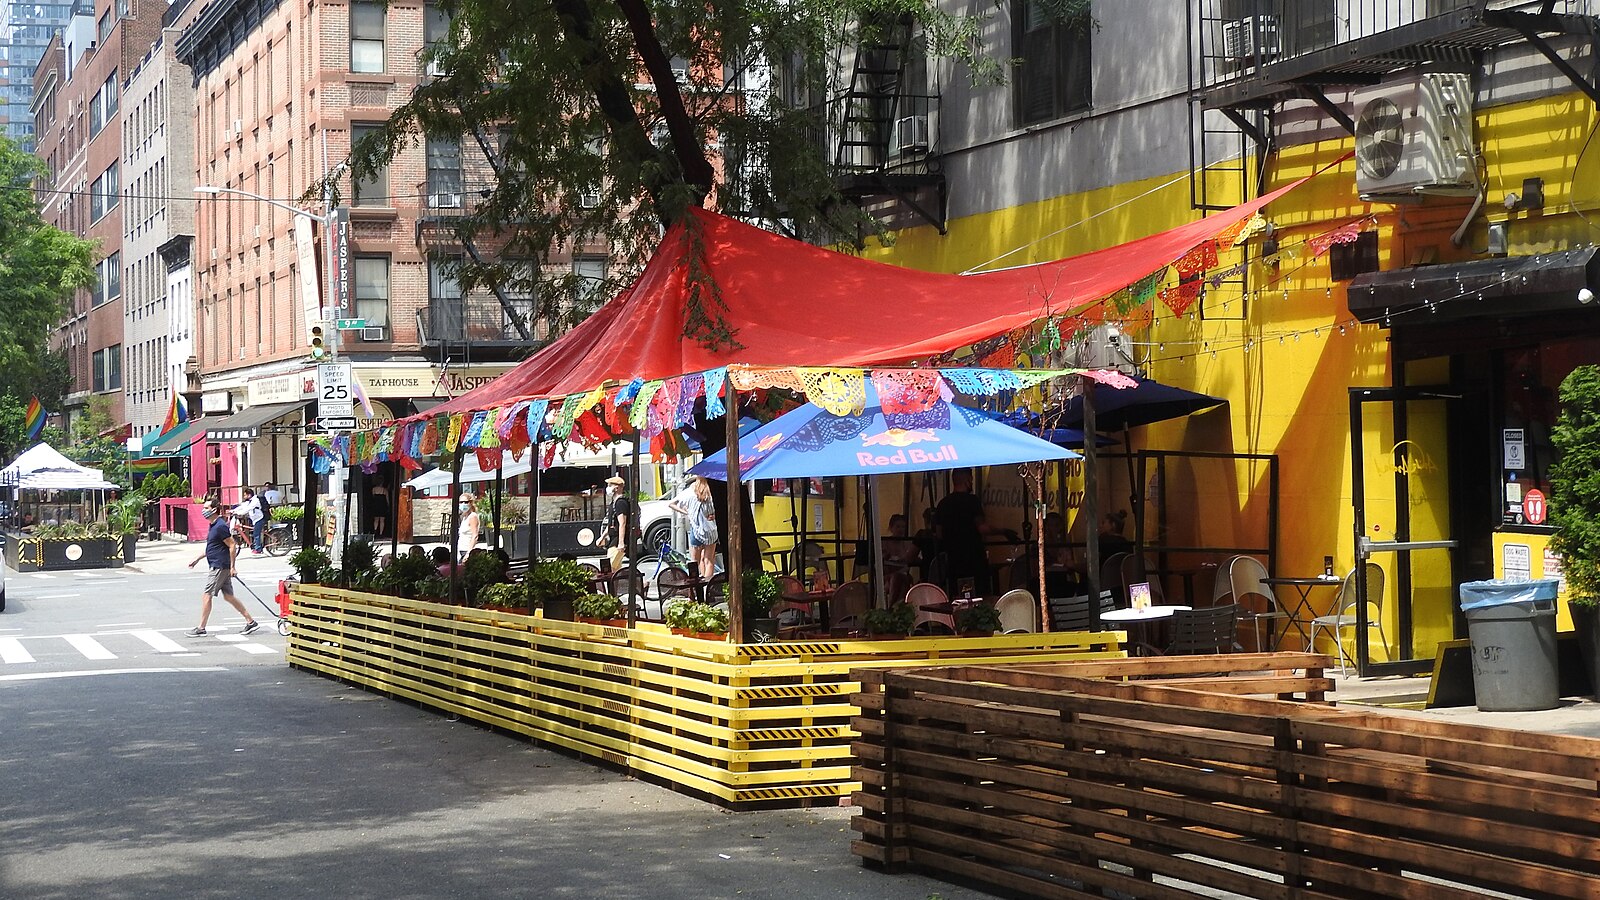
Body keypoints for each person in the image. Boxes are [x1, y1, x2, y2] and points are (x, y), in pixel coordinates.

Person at [185, 501, 260, 636]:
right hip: (219, 564)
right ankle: (250, 621)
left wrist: (232, 567)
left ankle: (201, 628)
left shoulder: (220, 526)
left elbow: (232, 545)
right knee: (229, 596)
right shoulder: (214, 525)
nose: (203, 510)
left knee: (207, 596)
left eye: (206, 508)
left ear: (214, 510)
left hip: (219, 566)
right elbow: (213, 547)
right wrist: (197, 559)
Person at [935, 468, 992, 597]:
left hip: (953, 561)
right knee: (979, 596)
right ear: (967, 479)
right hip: (974, 559)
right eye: (971, 478)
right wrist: (1003, 531)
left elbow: (939, 533)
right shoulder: (972, 501)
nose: (972, 481)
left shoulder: (943, 504)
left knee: (958, 597)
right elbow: (982, 528)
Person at [668, 476, 718, 581]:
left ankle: (695, 588)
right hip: (711, 531)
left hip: (696, 530)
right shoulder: (711, 492)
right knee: (709, 560)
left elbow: (671, 504)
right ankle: (708, 587)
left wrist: (686, 512)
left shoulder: (690, 492)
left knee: (694, 561)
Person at [598, 475, 632, 573]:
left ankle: (640, 585)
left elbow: (622, 523)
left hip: (617, 541)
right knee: (616, 569)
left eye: (610, 485)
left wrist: (621, 542)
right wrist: (602, 537)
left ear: (617, 488)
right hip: (613, 540)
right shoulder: (614, 503)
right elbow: (611, 523)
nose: (608, 488)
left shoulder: (620, 503)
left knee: (611, 567)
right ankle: (618, 587)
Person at [232, 488, 265, 555]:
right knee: (255, 532)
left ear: (249, 495)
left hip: (259, 518)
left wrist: (239, 513)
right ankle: (256, 546)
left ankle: (258, 549)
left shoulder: (255, 500)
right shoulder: (249, 501)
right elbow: (242, 506)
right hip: (255, 519)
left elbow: (248, 508)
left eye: (245, 495)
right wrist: (233, 511)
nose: (244, 497)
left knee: (256, 534)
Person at [456, 491, 481, 562]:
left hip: (467, 550)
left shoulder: (472, 517)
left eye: (466, 502)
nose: (463, 504)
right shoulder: (464, 517)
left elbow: (475, 535)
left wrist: (468, 553)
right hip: (462, 550)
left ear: (471, 503)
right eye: (461, 502)